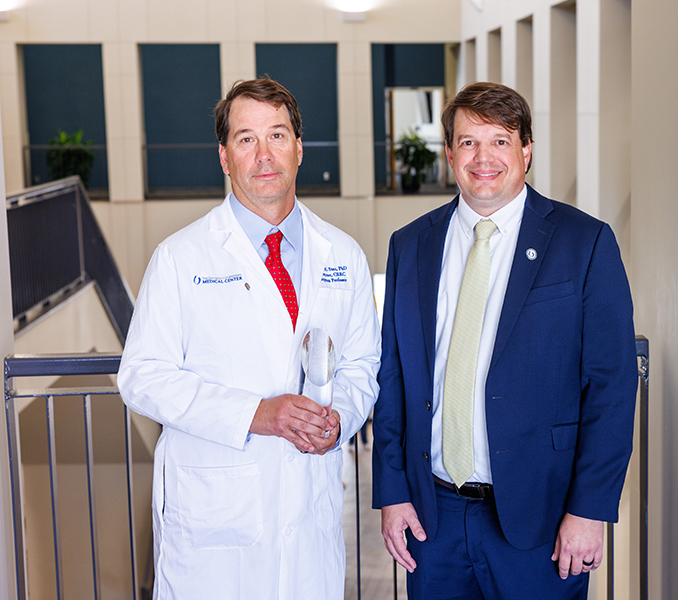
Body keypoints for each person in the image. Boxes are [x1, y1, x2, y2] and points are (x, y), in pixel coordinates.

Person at [371, 81, 637, 600]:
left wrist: (588, 509)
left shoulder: (584, 242)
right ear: (449, 154)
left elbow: (612, 386)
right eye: (469, 142)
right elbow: (393, 377)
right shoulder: (410, 245)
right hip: (433, 518)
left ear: (526, 151)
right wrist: (393, 491)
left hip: (541, 519)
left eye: (500, 140)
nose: (483, 157)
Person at [118, 77, 380, 600]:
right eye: (246, 139)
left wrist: (338, 420)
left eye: (277, 136)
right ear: (224, 157)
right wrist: (257, 415)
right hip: (213, 525)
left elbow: (362, 366)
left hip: (310, 509)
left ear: (299, 148)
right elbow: (142, 378)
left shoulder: (343, 255)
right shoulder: (181, 257)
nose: (264, 155)